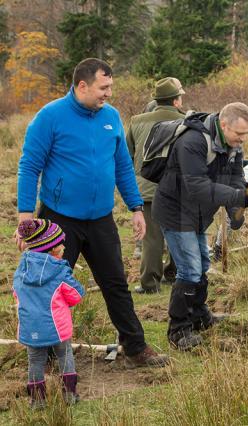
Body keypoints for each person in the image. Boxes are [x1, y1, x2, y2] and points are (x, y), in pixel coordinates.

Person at [16, 58, 169, 368]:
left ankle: (135, 347)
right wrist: (24, 215)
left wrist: (136, 207)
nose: (108, 94)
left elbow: (123, 166)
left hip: (100, 218)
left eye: (110, 87)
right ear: (82, 85)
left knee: (115, 284)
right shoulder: (50, 117)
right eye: (104, 87)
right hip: (58, 219)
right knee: (48, 285)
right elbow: (29, 166)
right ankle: (43, 353)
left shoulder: (111, 117)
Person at [153, 102, 248, 350]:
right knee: (189, 269)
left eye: (246, 135)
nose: (242, 140)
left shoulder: (233, 146)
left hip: (199, 213)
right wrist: (235, 198)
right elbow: (197, 186)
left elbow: (235, 179)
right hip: (176, 211)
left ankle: (199, 317)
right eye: (239, 134)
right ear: (224, 124)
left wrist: (235, 211)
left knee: (202, 264)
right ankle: (178, 330)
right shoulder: (193, 141)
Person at [13, 219, 85, 408]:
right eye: (60, 245)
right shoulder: (60, 271)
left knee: (35, 361)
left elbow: (16, 294)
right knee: (65, 354)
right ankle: (70, 394)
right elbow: (76, 296)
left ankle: (37, 400)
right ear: (52, 250)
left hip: (30, 327)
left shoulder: (22, 269)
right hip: (57, 326)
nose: (63, 247)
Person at [126, 77, 185, 294]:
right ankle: (175, 275)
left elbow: (127, 156)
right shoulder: (187, 121)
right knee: (179, 232)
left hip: (146, 188)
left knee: (151, 238)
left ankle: (150, 284)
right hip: (178, 189)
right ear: (176, 100)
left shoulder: (136, 120)